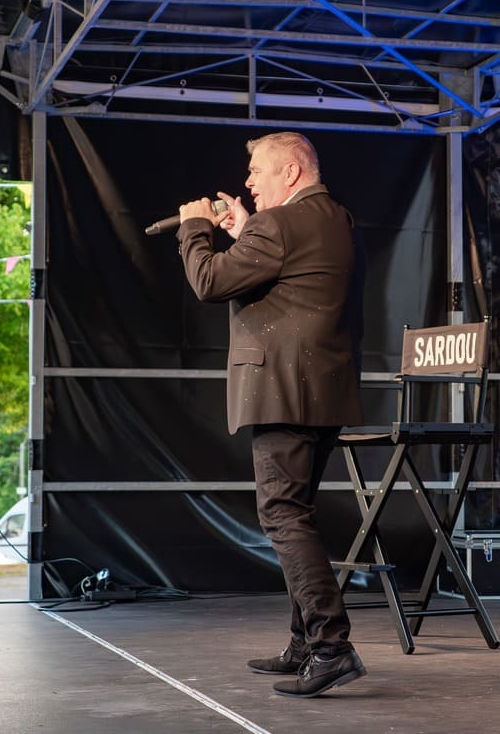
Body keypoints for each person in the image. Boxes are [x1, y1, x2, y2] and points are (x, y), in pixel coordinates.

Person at [176, 131, 365, 698]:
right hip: (321, 388)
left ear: (290, 171)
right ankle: (306, 641)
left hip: (284, 389)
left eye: (257, 171)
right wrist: (241, 231)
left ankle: (331, 645)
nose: (248, 183)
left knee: (281, 514)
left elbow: (210, 281)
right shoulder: (336, 219)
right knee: (296, 514)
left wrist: (194, 228)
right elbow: (286, 275)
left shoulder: (277, 225)